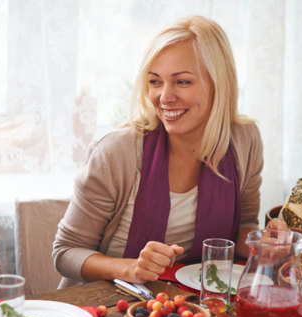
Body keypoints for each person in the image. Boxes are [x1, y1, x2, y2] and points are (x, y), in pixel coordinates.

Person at [53, 15, 270, 288]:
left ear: (219, 83)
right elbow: (65, 252)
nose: (165, 97)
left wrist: (263, 243)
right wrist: (131, 268)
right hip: (108, 305)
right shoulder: (116, 152)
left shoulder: (244, 140)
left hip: (193, 303)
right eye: (155, 81)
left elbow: (244, 226)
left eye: (182, 82)